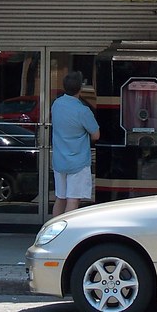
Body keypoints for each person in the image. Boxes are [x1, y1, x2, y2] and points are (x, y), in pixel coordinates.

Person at [50, 71, 100, 217]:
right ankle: (66, 234)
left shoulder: (56, 105)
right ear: (80, 88)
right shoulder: (83, 110)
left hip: (59, 160)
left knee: (60, 197)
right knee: (73, 199)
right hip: (77, 161)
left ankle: (54, 231)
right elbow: (96, 135)